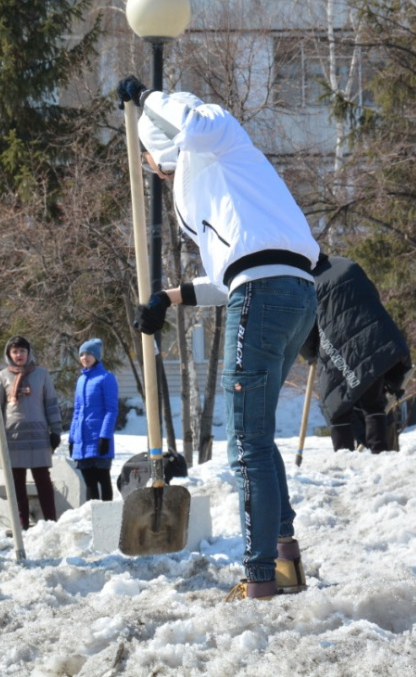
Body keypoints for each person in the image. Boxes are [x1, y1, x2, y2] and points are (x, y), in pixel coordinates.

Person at [119, 77, 319, 601]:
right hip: (290, 291)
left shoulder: (219, 135)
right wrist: (168, 297)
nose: (152, 169)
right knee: (258, 437)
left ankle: (259, 583)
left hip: (263, 293)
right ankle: (285, 560)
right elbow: (233, 270)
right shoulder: (224, 186)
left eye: (149, 157)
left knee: (246, 444)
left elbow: (192, 119)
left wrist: (148, 99)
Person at [299, 254, 413, 454]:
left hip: (336, 348)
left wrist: (310, 354)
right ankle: (380, 453)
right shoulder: (347, 265)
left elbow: (305, 325)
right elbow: (372, 297)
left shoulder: (305, 283)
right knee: (373, 402)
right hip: (371, 341)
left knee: (337, 407)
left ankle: (345, 457)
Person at [0, 336, 62, 529]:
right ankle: (21, 524)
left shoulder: (42, 374)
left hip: (39, 435)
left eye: (22, 351)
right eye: (15, 351)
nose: (19, 355)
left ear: (29, 352)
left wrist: (55, 430)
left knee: (43, 479)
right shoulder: (2, 376)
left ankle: (51, 522)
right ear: (9, 355)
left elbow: (51, 403)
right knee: (16, 483)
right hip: (13, 437)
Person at [69, 339, 119, 502]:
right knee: (89, 481)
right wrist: (72, 438)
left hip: (98, 438)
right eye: (82, 354)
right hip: (83, 440)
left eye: (89, 354)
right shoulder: (80, 380)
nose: (85, 357)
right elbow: (77, 411)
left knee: (102, 478)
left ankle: (107, 514)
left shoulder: (106, 378)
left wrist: (104, 436)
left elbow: (111, 410)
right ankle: (91, 515)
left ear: (96, 356)